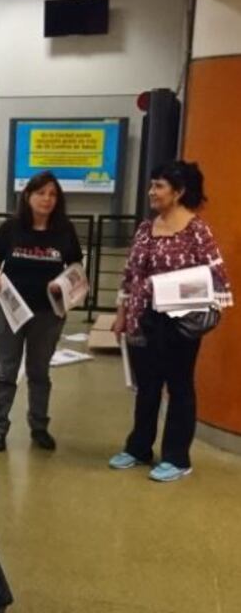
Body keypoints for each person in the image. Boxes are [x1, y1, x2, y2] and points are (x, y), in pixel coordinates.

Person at [109, 161, 232, 482]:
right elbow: (130, 274)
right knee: (146, 387)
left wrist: (177, 293)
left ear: (178, 192)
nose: (152, 192)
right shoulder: (145, 228)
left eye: (159, 186)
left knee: (179, 387)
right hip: (143, 319)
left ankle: (177, 458)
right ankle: (139, 448)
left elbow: (217, 278)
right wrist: (122, 314)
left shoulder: (196, 231)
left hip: (179, 323)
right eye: (152, 185)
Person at [0, 171, 83, 453]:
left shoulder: (64, 231)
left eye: (52, 195)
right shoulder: (11, 228)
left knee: (39, 371)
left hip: (48, 313)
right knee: (5, 371)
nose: (47, 199)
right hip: (11, 309)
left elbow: (76, 269)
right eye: (41, 193)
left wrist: (62, 285)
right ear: (28, 196)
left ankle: (39, 426)